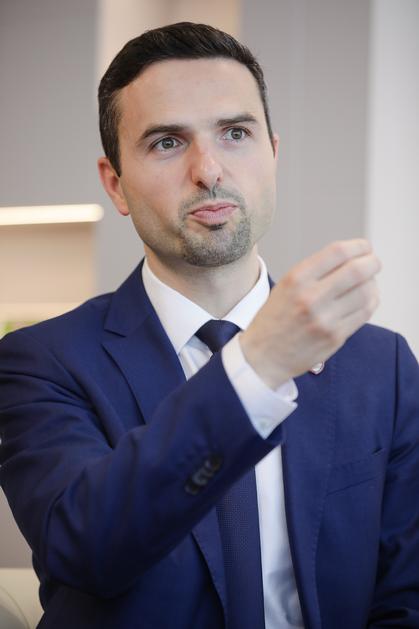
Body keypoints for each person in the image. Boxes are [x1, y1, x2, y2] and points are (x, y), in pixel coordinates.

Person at [0, 22, 418, 629]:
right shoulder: (40, 362)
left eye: (235, 133)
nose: (209, 169)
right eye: (168, 142)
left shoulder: (383, 366)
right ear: (116, 184)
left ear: (273, 155)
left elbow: (406, 596)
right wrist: (257, 367)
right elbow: (87, 550)